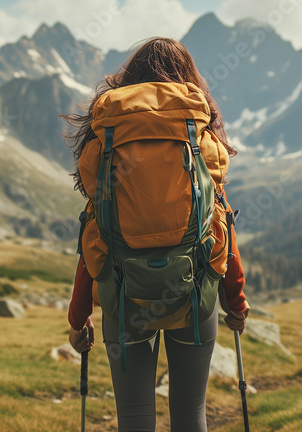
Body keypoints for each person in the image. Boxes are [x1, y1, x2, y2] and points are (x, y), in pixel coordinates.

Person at [63, 37, 250, 432]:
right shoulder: (198, 138)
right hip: (194, 296)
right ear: (188, 79)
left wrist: (79, 317)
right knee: (191, 414)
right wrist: (236, 302)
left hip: (123, 297)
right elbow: (222, 226)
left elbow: (93, 234)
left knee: (134, 420)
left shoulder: (107, 141)